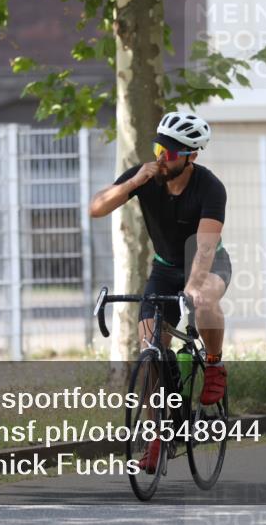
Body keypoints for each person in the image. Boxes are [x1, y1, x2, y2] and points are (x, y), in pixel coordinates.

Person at [89, 111, 231, 470]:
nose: (160, 158)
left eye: (169, 153)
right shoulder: (146, 176)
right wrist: (132, 183)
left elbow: (205, 247)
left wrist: (193, 286)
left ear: (191, 156)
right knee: (151, 349)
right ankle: (157, 441)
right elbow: (96, 208)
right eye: (158, 148)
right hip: (165, 268)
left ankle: (213, 367)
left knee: (205, 298)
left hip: (207, 262)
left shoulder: (210, 188)